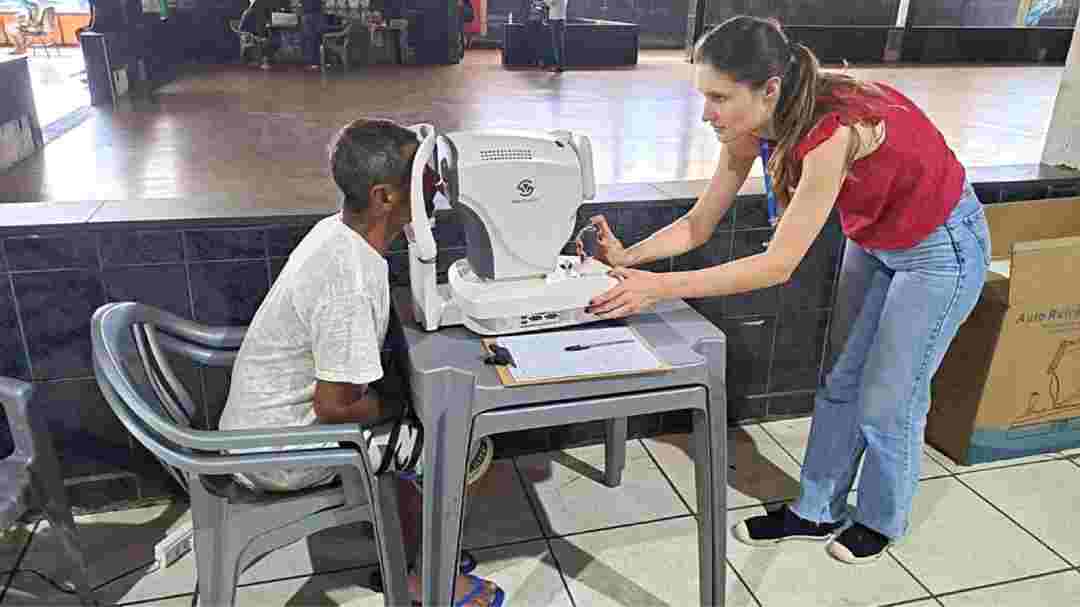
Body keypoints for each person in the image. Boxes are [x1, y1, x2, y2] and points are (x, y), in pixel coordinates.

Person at [580, 16, 990, 564]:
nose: (707, 113)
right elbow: (699, 225)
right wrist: (629, 258)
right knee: (841, 380)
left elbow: (777, 266)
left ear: (769, 89)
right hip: (874, 240)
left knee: (891, 397)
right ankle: (816, 507)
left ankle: (879, 520)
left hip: (941, 247)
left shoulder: (832, 133)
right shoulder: (751, 126)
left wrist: (658, 287)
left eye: (720, 97)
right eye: (705, 96)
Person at [218, 118, 504, 606]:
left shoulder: (336, 234)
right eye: (422, 179)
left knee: (426, 416)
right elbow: (334, 405)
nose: (433, 189)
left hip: (260, 427)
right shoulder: (349, 279)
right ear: (384, 197)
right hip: (281, 453)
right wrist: (398, 407)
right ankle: (426, 579)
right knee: (460, 443)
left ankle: (420, 551)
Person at [544, 0, 566, 71]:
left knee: (557, 44)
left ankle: (559, 67)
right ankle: (559, 66)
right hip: (559, 19)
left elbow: (550, 3)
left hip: (556, 19)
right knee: (558, 44)